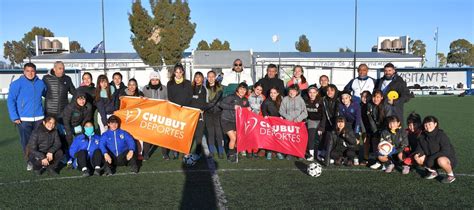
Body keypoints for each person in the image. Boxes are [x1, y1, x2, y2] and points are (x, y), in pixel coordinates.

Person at [7, 63, 46, 171]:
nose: (30, 73)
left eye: (32, 71)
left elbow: (47, 94)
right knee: (27, 142)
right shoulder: (17, 84)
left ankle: (39, 160)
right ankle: (30, 161)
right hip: (24, 120)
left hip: (39, 118)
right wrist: (15, 116)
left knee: (39, 141)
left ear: (36, 72)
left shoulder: (41, 83)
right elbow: (11, 101)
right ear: (24, 72)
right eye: (28, 71)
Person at [414, 116, 457, 183]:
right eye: (425, 125)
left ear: (435, 124)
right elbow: (419, 148)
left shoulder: (441, 135)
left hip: (446, 159)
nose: (427, 126)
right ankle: (433, 172)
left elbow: (446, 151)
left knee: (441, 160)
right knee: (418, 157)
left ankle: (450, 175)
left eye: (429, 124)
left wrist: (431, 158)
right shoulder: (422, 136)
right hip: (431, 159)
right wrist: (417, 154)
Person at [167, 64, 193, 160]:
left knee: (185, 132)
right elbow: (170, 97)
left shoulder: (187, 83)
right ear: (174, 73)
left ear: (183, 72)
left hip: (185, 111)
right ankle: (175, 150)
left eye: (180, 72)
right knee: (175, 132)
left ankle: (185, 151)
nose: (178, 74)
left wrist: (184, 107)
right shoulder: (170, 84)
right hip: (174, 111)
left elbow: (190, 96)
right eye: (176, 72)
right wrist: (176, 107)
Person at [219, 82, 250, 163]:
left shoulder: (245, 100)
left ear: (246, 91)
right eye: (241, 89)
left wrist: (249, 109)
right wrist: (233, 107)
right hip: (226, 120)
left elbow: (246, 109)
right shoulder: (231, 97)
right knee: (233, 138)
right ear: (237, 89)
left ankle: (234, 153)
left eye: (244, 89)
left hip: (236, 122)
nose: (242, 91)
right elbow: (221, 104)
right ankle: (230, 155)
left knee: (235, 139)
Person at [141, 71, 168, 160]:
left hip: (161, 116)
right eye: (153, 79)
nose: (155, 81)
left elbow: (168, 100)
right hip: (149, 116)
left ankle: (165, 154)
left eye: (156, 79)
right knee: (147, 136)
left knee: (162, 136)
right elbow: (141, 100)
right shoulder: (145, 88)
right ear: (150, 80)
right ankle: (146, 154)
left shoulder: (164, 88)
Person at [62, 92, 93, 165]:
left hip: (77, 125)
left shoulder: (88, 106)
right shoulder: (70, 107)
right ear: (76, 99)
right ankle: (68, 156)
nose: (82, 101)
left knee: (81, 138)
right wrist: (69, 133)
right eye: (79, 99)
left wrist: (84, 131)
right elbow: (66, 121)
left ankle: (81, 154)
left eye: (83, 99)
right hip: (65, 125)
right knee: (68, 139)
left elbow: (86, 120)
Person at [187, 72, 208, 163]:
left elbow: (204, 102)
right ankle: (186, 151)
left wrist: (202, 109)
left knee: (198, 135)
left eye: (199, 77)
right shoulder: (190, 88)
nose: (197, 79)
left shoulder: (204, 89)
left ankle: (198, 153)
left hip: (200, 116)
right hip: (190, 116)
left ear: (202, 79)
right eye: (196, 77)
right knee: (189, 135)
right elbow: (187, 100)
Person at [204, 70, 224, 158]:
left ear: (215, 77)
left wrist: (206, 106)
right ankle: (211, 151)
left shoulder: (220, 87)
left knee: (219, 133)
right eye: (209, 76)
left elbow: (215, 100)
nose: (211, 78)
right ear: (207, 78)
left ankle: (220, 151)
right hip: (208, 114)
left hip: (217, 113)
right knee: (210, 133)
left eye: (212, 76)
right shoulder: (204, 88)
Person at [261, 87, 285, 160]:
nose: (272, 94)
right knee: (270, 137)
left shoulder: (281, 100)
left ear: (277, 93)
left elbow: (284, 110)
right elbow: (263, 109)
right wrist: (265, 116)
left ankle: (278, 151)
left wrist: (282, 117)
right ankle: (269, 151)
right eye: (271, 92)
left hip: (279, 122)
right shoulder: (266, 101)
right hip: (269, 122)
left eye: (274, 93)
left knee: (278, 137)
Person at [318, 84, 339, 164]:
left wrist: (335, 127)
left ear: (335, 91)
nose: (329, 92)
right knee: (322, 134)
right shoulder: (324, 100)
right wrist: (321, 127)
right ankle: (322, 153)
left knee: (332, 136)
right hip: (328, 123)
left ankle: (330, 156)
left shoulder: (338, 100)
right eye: (328, 90)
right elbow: (324, 115)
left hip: (338, 123)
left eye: (332, 90)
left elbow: (338, 116)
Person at [304, 86, 324, 161]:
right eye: (310, 92)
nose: (312, 94)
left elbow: (324, 115)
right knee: (311, 136)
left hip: (320, 121)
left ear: (317, 93)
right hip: (311, 120)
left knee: (320, 137)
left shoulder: (321, 101)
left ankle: (319, 154)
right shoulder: (305, 100)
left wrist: (321, 127)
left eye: (314, 93)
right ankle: (311, 155)